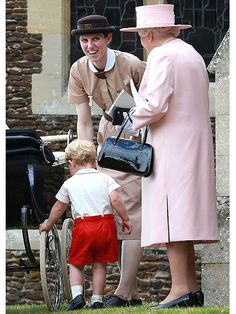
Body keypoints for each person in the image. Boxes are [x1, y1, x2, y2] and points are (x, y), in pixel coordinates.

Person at [120, 4, 220, 309]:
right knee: (183, 215)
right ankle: (190, 287)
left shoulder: (161, 55)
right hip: (193, 144)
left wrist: (125, 118)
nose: (141, 41)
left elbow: (154, 104)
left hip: (171, 146)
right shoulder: (190, 54)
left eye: (140, 35)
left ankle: (178, 289)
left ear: (149, 33)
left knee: (172, 216)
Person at [68, 14, 146, 307]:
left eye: (96, 39)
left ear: (108, 39)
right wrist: (86, 160)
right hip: (105, 141)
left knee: (131, 213)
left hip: (136, 139)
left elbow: (156, 103)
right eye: (84, 40)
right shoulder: (78, 70)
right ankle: (132, 293)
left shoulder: (132, 64)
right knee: (111, 212)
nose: (90, 45)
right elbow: (84, 120)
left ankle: (124, 292)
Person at [39, 139, 132, 311]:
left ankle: (77, 296)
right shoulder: (105, 178)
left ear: (71, 163)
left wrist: (47, 223)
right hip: (105, 225)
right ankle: (97, 299)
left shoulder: (70, 183)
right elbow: (116, 199)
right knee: (100, 263)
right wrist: (125, 218)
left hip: (84, 226)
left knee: (76, 262)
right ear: (94, 161)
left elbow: (59, 207)